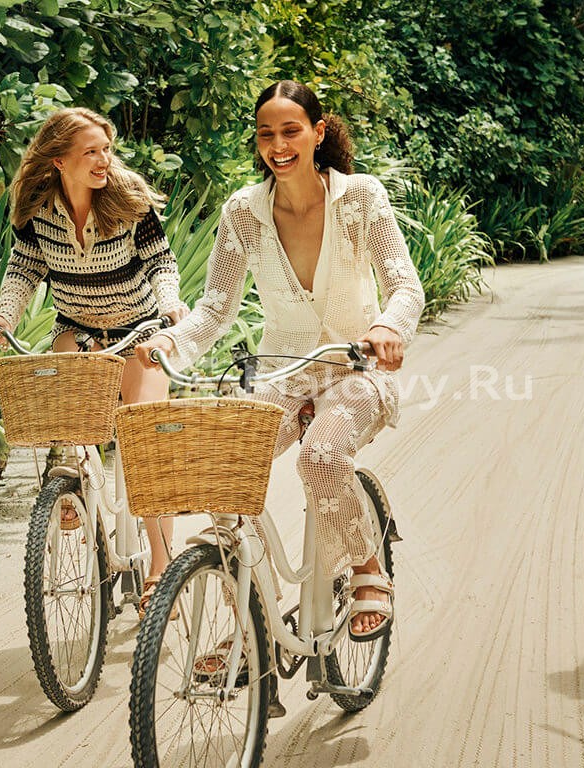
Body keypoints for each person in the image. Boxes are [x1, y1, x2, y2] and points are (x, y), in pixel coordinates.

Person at [137, 80, 425, 641]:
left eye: (291, 131)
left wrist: (389, 327)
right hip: (283, 372)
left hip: (357, 369)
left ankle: (366, 567)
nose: (278, 145)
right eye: (266, 134)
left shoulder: (361, 197)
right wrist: (173, 342)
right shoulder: (243, 212)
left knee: (320, 456)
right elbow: (215, 308)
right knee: (224, 464)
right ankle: (255, 624)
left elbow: (404, 284)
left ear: (318, 133)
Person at [0, 107, 189, 617]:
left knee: (145, 446)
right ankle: (72, 483)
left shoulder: (128, 200)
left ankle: (161, 568)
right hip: (77, 330)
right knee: (68, 417)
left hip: (138, 331)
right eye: (90, 152)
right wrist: (4, 315)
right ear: (59, 161)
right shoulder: (38, 210)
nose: (103, 160)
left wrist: (170, 305)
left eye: (106, 150)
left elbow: (161, 261)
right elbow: (23, 271)